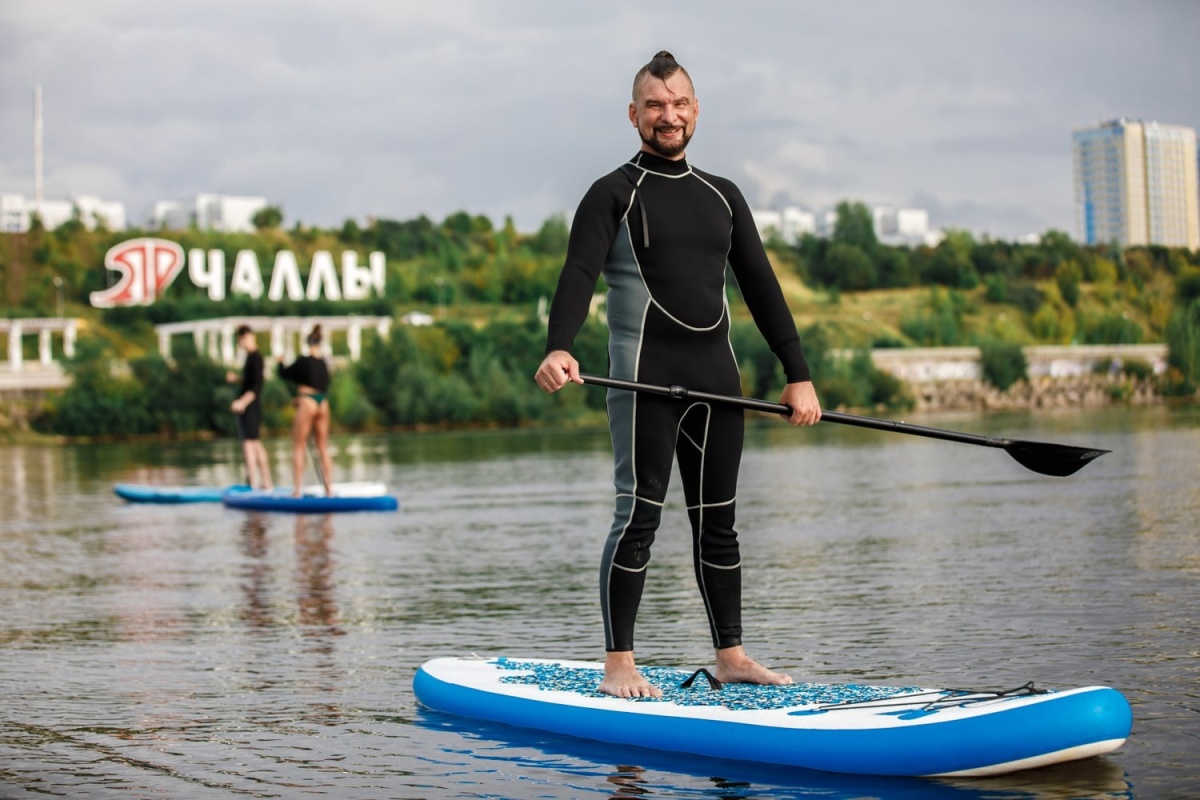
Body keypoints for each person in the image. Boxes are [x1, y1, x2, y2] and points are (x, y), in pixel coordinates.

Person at [534, 51, 822, 699]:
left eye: (681, 103)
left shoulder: (723, 195)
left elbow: (762, 287)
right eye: (656, 106)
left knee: (718, 520)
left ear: (696, 111)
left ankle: (732, 655)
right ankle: (619, 666)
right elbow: (578, 274)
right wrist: (560, 346)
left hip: (718, 380)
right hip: (644, 377)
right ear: (634, 114)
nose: (670, 116)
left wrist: (797, 373)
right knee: (638, 514)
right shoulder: (612, 192)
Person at [277, 325, 333, 497]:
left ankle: (297, 491)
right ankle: (329, 490)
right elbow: (323, 384)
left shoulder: (304, 361)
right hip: (322, 403)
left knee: (298, 446)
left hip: (307, 402)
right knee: (322, 448)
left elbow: (285, 374)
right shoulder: (324, 363)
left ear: (308, 343)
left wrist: (280, 362)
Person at [228, 324, 274, 490]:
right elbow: (249, 383)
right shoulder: (250, 357)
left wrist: (242, 402)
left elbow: (256, 387)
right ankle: (266, 483)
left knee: (249, 443)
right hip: (251, 404)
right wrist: (238, 380)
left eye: (242, 339)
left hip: (251, 406)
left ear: (248, 337)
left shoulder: (256, 357)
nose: (241, 343)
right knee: (255, 443)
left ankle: (254, 484)